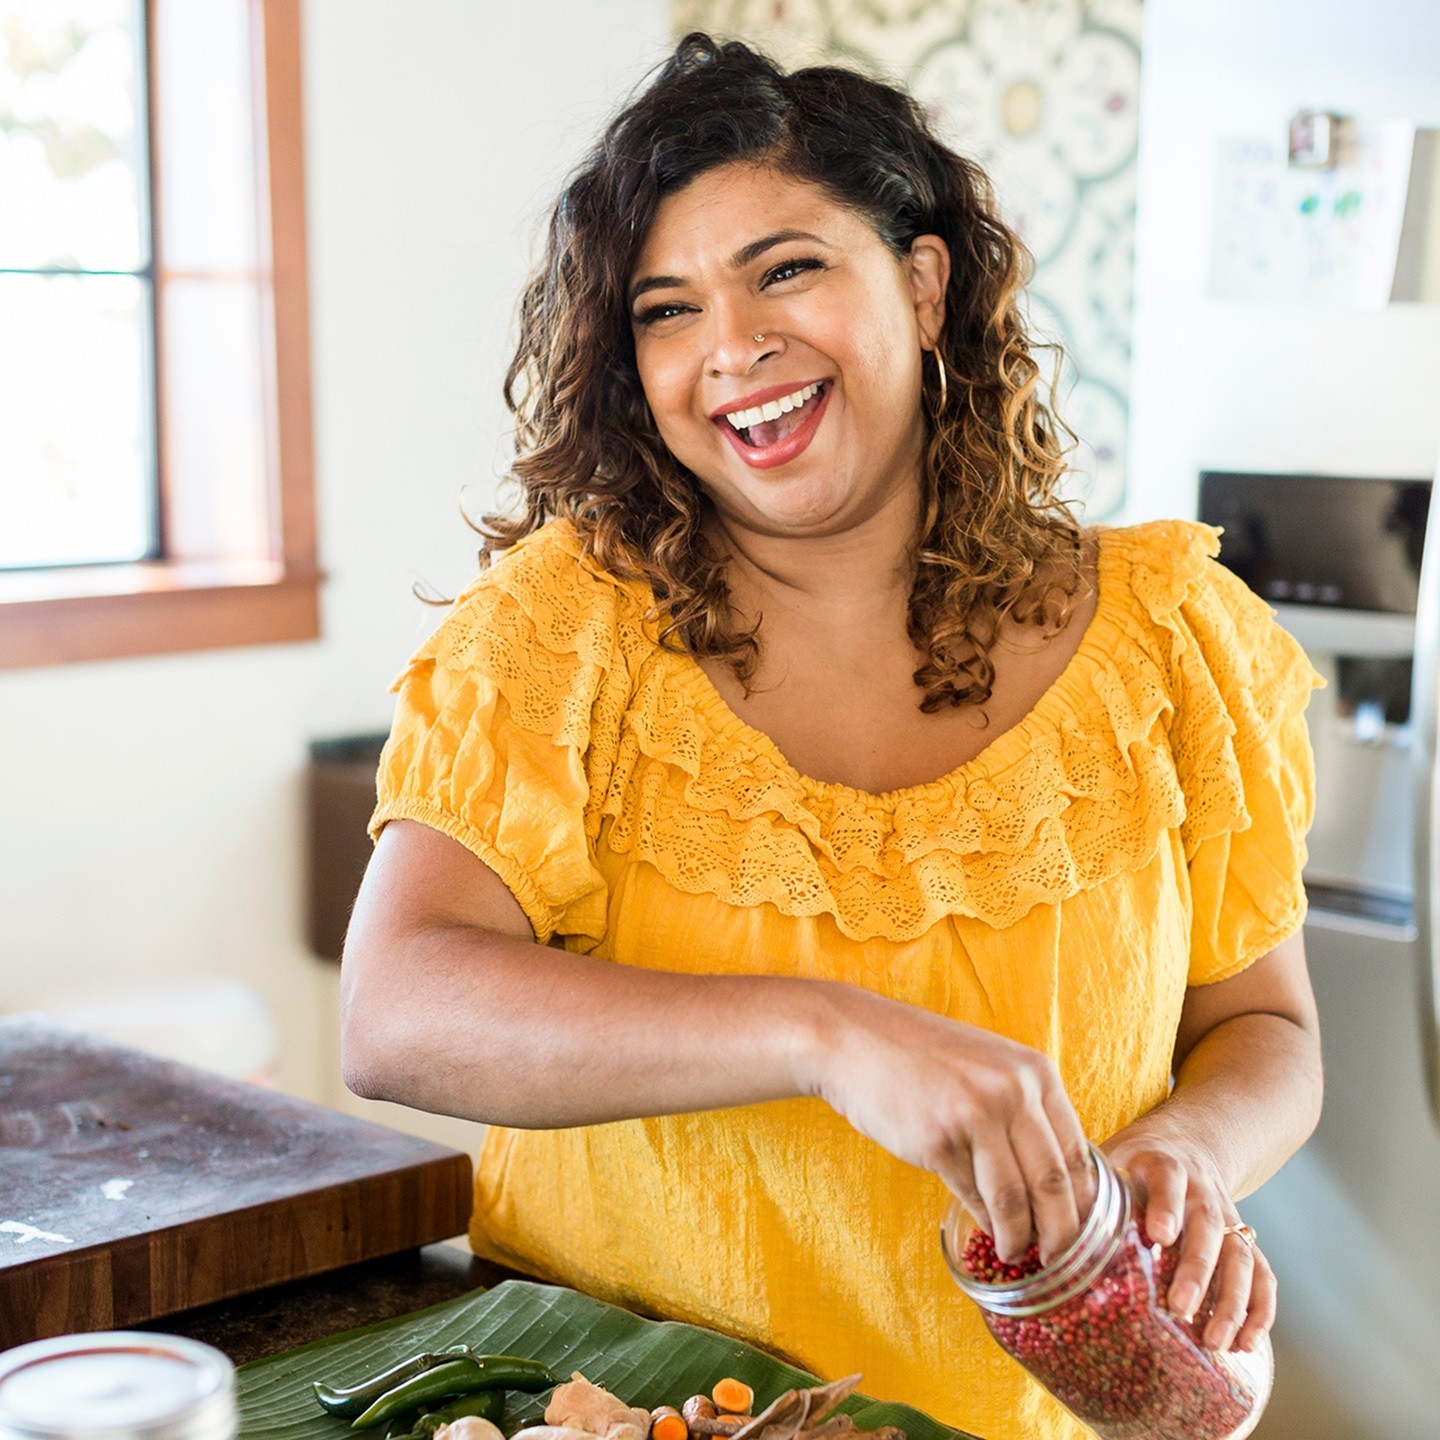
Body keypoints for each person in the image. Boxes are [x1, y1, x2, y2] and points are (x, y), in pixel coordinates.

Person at [340, 33, 1323, 1440]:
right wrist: (827, 1033)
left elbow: (1266, 1027)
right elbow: (396, 1014)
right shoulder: (563, 630)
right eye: (665, 309)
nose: (732, 348)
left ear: (924, 286)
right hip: (652, 1415)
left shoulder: (1171, 634)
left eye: (786, 269)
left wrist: (1188, 1151)